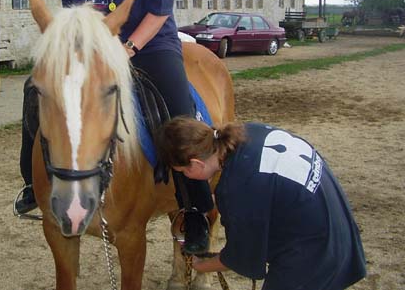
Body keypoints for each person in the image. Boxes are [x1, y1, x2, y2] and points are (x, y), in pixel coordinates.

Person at [16, 0, 212, 255]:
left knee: (180, 114)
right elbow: (75, 13)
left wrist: (127, 47)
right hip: (96, 48)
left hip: (150, 44)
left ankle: (196, 207)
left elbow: (159, 11)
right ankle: (31, 184)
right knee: (35, 90)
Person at [157, 117, 367, 290]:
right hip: (339, 224)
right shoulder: (247, 131)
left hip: (314, 252)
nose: (186, 176)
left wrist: (201, 265)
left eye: (184, 172)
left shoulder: (235, 187)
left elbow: (240, 258)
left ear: (196, 163)